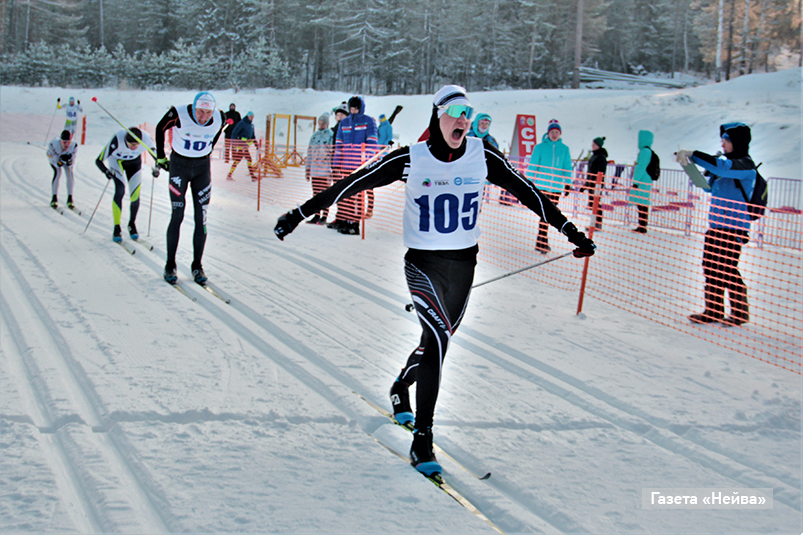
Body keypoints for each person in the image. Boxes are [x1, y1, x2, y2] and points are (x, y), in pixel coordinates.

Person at [273, 84, 596, 477]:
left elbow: (531, 194)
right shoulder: (411, 159)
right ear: (437, 115)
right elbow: (352, 183)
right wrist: (298, 213)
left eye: (468, 114)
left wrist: (571, 231)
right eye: (455, 113)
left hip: (464, 265)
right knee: (439, 338)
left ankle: (400, 386)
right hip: (422, 264)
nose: (463, 121)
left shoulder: (483, 156)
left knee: (434, 344)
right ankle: (422, 439)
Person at [677, 123, 756, 327]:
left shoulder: (745, 165)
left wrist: (694, 154)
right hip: (716, 225)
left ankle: (740, 313)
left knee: (727, 268)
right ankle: (713, 311)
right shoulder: (726, 165)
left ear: (737, 142)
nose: (722, 144)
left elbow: (721, 167)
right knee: (710, 267)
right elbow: (708, 187)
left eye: (726, 140)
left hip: (733, 227)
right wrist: (691, 168)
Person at [155, 91, 225, 285]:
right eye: (200, 111)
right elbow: (160, 128)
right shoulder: (178, 113)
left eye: (208, 113)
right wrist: (160, 156)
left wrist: (208, 148)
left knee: (201, 218)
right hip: (179, 167)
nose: (203, 117)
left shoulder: (219, 117)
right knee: (177, 214)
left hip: (202, 169)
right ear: (193, 107)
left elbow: (217, 131)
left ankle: (197, 266)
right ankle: (170, 264)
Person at [95, 127, 156, 242]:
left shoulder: (146, 139)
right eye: (130, 145)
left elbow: (159, 158)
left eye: (136, 145)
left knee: (135, 195)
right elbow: (98, 160)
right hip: (116, 162)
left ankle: (132, 224)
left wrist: (156, 169)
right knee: (120, 190)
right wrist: (106, 171)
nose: (133, 147)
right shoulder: (117, 139)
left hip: (134, 163)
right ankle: (117, 227)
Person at [330, 95, 378, 235]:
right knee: (345, 194)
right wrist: (336, 164)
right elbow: (339, 145)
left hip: (360, 165)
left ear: (360, 108)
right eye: (351, 108)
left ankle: (355, 223)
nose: (353, 110)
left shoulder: (368, 121)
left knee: (357, 195)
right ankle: (345, 220)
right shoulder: (344, 123)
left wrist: (367, 161)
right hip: (346, 165)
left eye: (356, 108)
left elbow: (372, 143)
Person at [528, 119, 573, 253]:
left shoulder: (564, 149)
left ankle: (541, 240)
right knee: (545, 214)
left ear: (560, 134)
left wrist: (568, 183)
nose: (554, 134)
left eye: (556, 132)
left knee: (549, 215)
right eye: (552, 132)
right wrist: (528, 182)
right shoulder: (540, 147)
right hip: (542, 186)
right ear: (548, 133)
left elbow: (567, 167)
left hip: (556, 188)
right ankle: (542, 241)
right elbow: (533, 166)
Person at [304, 112, 334, 225]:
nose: (321, 125)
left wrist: (331, 170)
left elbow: (332, 153)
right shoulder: (315, 136)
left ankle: (324, 216)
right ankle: (316, 215)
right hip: (315, 170)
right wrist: (308, 170)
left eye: (323, 123)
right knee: (315, 194)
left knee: (325, 194)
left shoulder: (330, 135)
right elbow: (309, 153)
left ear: (327, 124)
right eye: (319, 123)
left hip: (325, 170)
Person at [629, 130, 654, 233]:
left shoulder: (645, 151)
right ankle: (642, 225)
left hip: (642, 180)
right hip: (645, 179)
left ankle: (642, 226)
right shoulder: (648, 151)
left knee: (641, 204)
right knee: (642, 203)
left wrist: (635, 181)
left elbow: (641, 167)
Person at [46, 130, 78, 209]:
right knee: (58, 173)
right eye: (64, 142)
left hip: (64, 157)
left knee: (69, 173)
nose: (66, 144)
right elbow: (56, 163)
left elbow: (72, 161)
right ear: (60, 141)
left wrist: (69, 161)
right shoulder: (53, 145)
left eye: (68, 142)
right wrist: (60, 161)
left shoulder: (74, 146)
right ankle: (54, 198)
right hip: (54, 158)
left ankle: (70, 198)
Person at [584, 136, 608, 230]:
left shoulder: (601, 157)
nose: (592, 145)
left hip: (596, 184)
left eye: (594, 144)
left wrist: (595, 182)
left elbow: (599, 172)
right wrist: (586, 184)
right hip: (591, 183)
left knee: (596, 204)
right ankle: (594, 223)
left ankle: (597, 224)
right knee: (592, 204)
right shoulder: (594, 155)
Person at [226, 111, 258, 182]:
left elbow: (253, 136)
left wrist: (256, 145)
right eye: (251, 117)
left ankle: (230, 175)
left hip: (246, 146)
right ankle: (252, 176)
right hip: (241, 145)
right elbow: (234, 133)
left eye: (253, 117)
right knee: (248, 159)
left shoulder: (251, 125)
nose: (252, 118)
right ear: (248, 116)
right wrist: (233, 143)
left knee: (239, 160)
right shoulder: (242, 123)